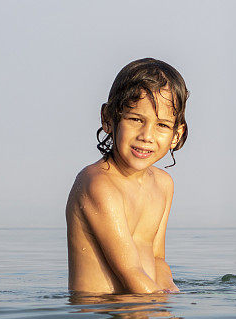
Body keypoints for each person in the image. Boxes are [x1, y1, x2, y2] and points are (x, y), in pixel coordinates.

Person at [66, 58, 189, 294]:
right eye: (135, 119)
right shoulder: (98, 184)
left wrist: (175, 296)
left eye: (162, 125)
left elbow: (158, 261)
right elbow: (130, 272)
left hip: (144, 308)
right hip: (105, 316)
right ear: (109, 118)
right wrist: (160, 309)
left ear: (176, 134)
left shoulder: (163, 185)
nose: (147, 135)